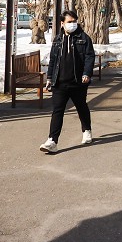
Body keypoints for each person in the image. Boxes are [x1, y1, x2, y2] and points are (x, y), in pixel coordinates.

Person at [39, 10, 96, 154]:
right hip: (60, 82)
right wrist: (50, 78)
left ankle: (87, 130)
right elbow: (53, 60)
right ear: (62, 23)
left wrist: (87, 73)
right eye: (69, 22)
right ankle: (52, 141)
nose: (72, 24)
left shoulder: (84, 38)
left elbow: (90, 57)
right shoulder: (58, 39)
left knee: (81, 106)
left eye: (74, 21)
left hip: (78, 81)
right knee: (57, 111)